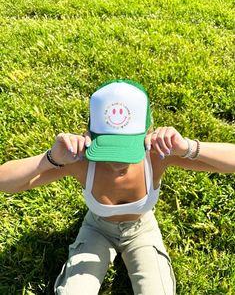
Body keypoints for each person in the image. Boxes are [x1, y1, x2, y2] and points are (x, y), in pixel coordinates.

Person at [0, 79, 235, 295]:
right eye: (108, 146)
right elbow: (5, 183)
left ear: (149, 134)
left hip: (142, 230)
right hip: (97, 229)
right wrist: (51, 157)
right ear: (89, 135)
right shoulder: (81, 162)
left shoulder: (156, 156)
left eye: (127, 146)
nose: (117, 162)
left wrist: (188, 148)